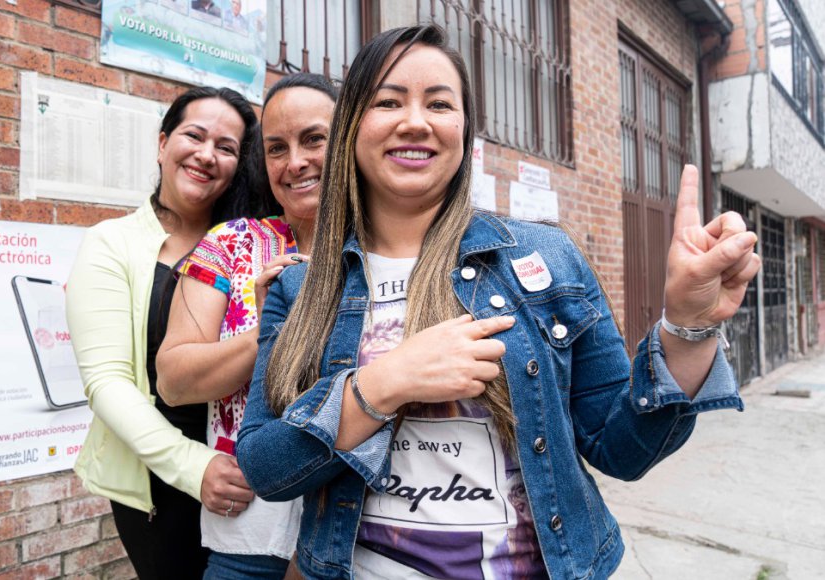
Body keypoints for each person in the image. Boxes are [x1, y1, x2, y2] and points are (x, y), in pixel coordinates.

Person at [236, 24, 760, 580]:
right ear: (351, 130)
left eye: (439, 103)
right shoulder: (299, 290)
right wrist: (385, 384)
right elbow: (266, 468)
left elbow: (623, 450)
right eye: (388, 101)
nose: (415, 121)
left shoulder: (546, 256)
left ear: (464, 130)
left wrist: (687, 327)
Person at [67, 86, 259, 580]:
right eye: (194, 136)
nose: (206, 154)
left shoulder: (253, 241)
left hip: (251, 471)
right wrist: (195, 467)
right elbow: (107, 382)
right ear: (161, 144)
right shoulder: (111, 243)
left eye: (227, 147)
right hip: (162, 477)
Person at [156, 74, 338, 579]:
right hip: (250, 530)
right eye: (277, 148)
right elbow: (173, 381)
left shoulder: (390, 246)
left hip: (363, 534)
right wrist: (272, 330)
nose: (295, 162)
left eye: (315, 139)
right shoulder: (232, 244)